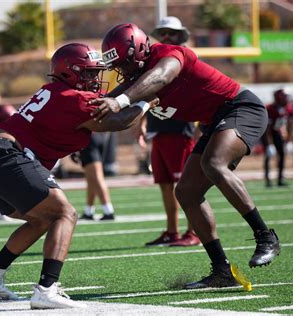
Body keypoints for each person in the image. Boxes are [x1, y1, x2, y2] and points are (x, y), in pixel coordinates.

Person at [0, 43, 158, 309]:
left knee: (43, 218)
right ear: (70, 73)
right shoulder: (72, 97)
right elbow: (117, 121)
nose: (94, 79)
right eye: (89, 73)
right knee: (65, 213)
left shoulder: (52, 91)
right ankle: (46, 289)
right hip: (4, 156)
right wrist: (148, 101)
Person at [91, 23, 280, 289]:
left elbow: (161, 77)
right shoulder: (136, 82)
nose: (123, 71)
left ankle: (265, 235)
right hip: (214, 121)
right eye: (119, 66)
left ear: (142, 50)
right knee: (187, 192)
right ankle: (222, 272)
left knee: (213, 163)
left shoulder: (168, 54)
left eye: (126, 63)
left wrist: (120, 100)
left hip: (241, 108)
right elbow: (117, 117)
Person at [141, 16, 200, 247]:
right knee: (165, 185)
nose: (166, 37)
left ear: (180, 36)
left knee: (185, 186)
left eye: (171, 33)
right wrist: (142, 123)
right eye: (163, 33)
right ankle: (172, 232)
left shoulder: (186, 61)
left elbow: (198, 94)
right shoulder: (157, 61)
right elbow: (149, 92)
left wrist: (199, 127)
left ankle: (194, 231)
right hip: (159, 131)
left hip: (181, 132)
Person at [78, 132, 116, 221]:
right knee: (91, 178)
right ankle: (89, 211)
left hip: (89, 137)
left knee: (97, 177)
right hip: (100, 135)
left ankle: (108, 211)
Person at [263, 88, 293, 187]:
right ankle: (268, 180)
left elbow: (289, 124)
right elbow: (267, 128)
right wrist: (269, 144)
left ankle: (280, 179)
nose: (286, 99)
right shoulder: (270, 108)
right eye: (284, 97)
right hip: (269, 135)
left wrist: (289, 140)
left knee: (282, 156)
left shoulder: (287, 108)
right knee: (269, 156)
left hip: (280, 135)